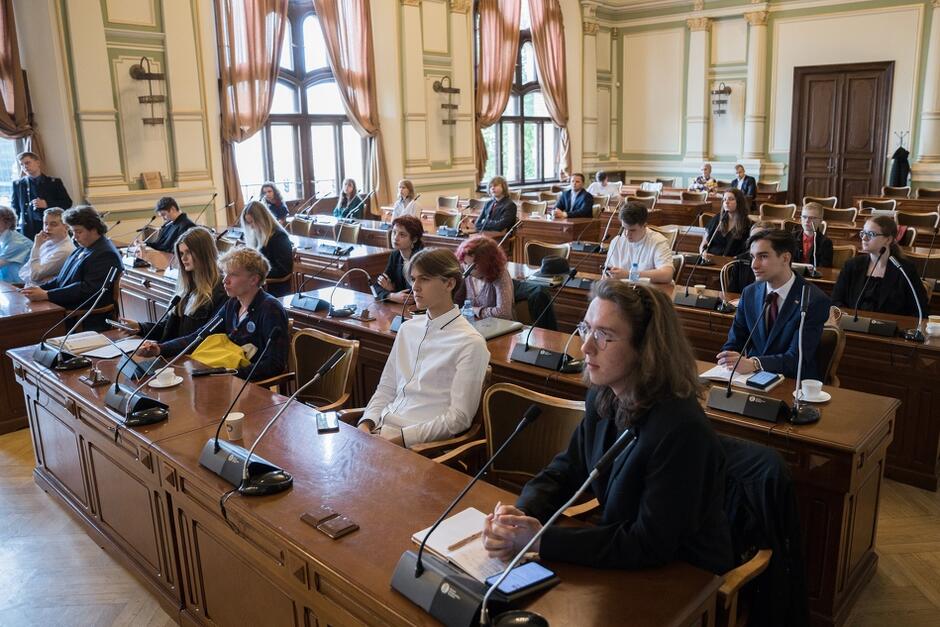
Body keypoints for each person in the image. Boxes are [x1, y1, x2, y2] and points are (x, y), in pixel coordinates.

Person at [481, 280, 733, 575]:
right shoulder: (604, 396)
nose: (585, 346)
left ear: (645, 348)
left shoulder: (682, 431)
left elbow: (650, 544)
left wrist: (540, 540)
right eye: (586, 328)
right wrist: (522, 514)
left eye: (604, 335)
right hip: (626, 560)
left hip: (684, 578)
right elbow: (567, 469)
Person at [357, 248, 489, 446]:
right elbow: (386, 387)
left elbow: (459, 418)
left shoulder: (470, 343)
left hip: (421, 447)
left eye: (424, 279)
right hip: (380, 432)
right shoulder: (407, 329)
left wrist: (402, 438)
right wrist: (365, 423)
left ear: (449, 283)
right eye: (413, 279)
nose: (415, 287)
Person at [137, 247, 289, 382]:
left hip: (249, 385)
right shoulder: (232, 304)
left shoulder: (270, 309)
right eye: (225, 274)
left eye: (233, 275)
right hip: (225, 380)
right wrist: (160, 349)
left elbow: (274, 364)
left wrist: (229, 375)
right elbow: (199, 336)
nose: (225, 280)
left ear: (254, 279)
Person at [718, 229, 830, 379]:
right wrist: (728, 359)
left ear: (785, 258)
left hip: (791, 382)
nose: (754, 265)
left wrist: (755, 363)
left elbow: (796, 358)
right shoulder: (749, 293)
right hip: (749, 378)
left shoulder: (813, 300)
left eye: (763, 256)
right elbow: (735, 341)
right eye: (752, 257)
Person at [20, 205, 122, 331]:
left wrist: (47, 295)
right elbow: (61, 278)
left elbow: (87, 290)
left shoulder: (105, 254)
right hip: (67, 306)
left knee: (28, 325)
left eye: (78, 232)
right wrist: (39, 289)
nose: (74, 237)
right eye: (72, 232)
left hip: (83, 317)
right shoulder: (84, 247)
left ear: (94, 229)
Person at [120, 227, 226, 342]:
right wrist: (140, 327)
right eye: (181, 253)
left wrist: (162, 349)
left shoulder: (220, 290)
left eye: (189, 252)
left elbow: (200, 338)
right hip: (175, 354)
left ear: (204, 253)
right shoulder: (186, 287)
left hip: (193, 356)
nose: (183, 258)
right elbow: (167, 329)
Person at [831, 215, 928, 317]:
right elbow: (836, 301)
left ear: (888, 240)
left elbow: (920, 309)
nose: (864, 238)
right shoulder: (851, 265)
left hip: (891, 330)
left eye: (871, 234)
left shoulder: (905, 269)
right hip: (852, 327)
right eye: (863, 233)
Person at [603, 201, 674, 284]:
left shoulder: (658, 241)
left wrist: (630, 275)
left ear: (644, 225)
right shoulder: (616, 241)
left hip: (648, 293)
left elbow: (667, 275)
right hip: (621, 292)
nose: (627, 234)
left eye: (632, 230)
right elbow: (605, 275)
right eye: (624, 228)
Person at [11, 151, 73, 240]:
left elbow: (67, 203)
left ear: (37, 162)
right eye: (22, 164)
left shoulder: (54, 183)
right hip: (29, 229)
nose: (25, 166)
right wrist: (12, 228)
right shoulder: (18, 184)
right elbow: (15, 208)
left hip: (52, 228)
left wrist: (47, 204)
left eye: (27, 163)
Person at [241, 200, 294, 297]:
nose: (251, 227)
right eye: (248, 223)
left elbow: (283, 270)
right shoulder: (258, 234)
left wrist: (256, 272)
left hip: (274, 286)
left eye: (252, 222)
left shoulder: (279, 237)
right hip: (261, 282)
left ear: (262, 219)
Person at [455, 235, 514, 320]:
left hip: (500, 328)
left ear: (487, 264)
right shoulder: (464, 271)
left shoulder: (501, 274)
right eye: (465, 263)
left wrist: (475, 310)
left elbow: (504, 313)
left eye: (473, 267)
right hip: (475, 325)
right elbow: (457, 305)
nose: (467, 270)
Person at [18, 207, 74, 286]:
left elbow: (34, 276)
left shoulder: (65, 250)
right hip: (28, 288)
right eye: (45, 224)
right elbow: (23, 272)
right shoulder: (46, 242)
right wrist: (37, 278)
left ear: (66, 227)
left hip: (42, 295)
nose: (47, 228)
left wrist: (36, 246)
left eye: (53, 224)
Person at [376, 215, 424, 303]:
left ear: (414, 239)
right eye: (394, 232)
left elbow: (416, 294)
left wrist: (393, 289)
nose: (395, 238)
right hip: (401, 307)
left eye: (402, 235)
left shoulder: (422, 258)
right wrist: (391, 295)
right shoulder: (395, 255)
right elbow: (378, 285)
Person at [725, 220, 776, 294]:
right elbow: (732, 292)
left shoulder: (775, 260)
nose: (755, 243)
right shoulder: (740, 260)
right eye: (752, 239)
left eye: (759, 239)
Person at [700, 188, 751, 259]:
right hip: (710, 261)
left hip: (732, 264)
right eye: (724, 199)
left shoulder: (747, 224)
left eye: (731, 199)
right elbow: (704, 242)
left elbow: (749, 251)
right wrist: (703, 253)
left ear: (739, 202)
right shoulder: (717, 219)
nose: (726, 202)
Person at [792, 202, 833, 268]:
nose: (807, 221)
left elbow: (825, 267)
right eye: (804, 217)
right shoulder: (792, 238)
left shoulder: (826, 242)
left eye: (812, 218)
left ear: (820, 221)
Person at [0, 206, 31, 282]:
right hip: (9, 283)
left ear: (8, 223)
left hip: (21, 286)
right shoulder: (5, 237)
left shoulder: (17, 243)